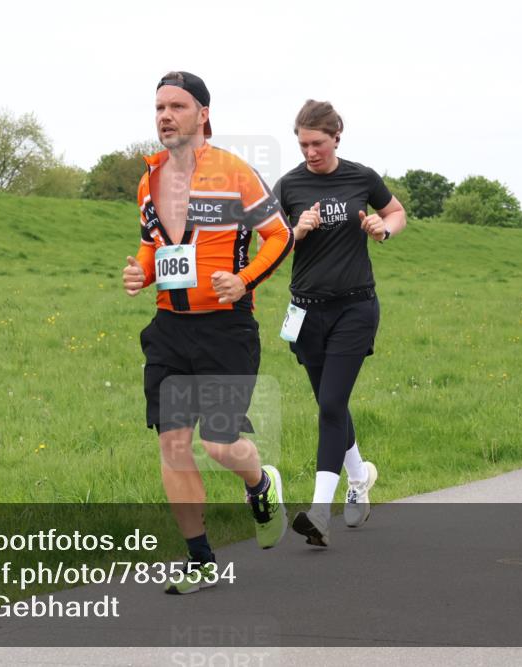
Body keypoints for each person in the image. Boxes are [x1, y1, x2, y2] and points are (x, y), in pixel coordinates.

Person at [122, 71, 295, 593]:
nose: (165, 116)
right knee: (173, 446)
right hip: (169, 330)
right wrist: (142, 270)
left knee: (220, 445)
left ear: (203, 114)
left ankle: (260, 485)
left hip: (225, 329)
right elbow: (156, 244)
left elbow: (279, 236)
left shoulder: (234, 172)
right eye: (158, 107)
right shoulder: (148, 180)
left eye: (177, 106)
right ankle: (200, 560)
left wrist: (242, 282)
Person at [272, 100, 406, 547]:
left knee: (330, 403)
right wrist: (296, 231)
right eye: (303, 143)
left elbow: (396, 212)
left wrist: (382, 229)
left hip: (354, 308)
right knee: (332, 405)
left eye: (318, 143)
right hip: (306, 312)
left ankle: (319, 512)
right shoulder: (288, 185)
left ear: (336, 136)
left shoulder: (360, 176)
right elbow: (270, 244)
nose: (310, 151)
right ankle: (359, 477)